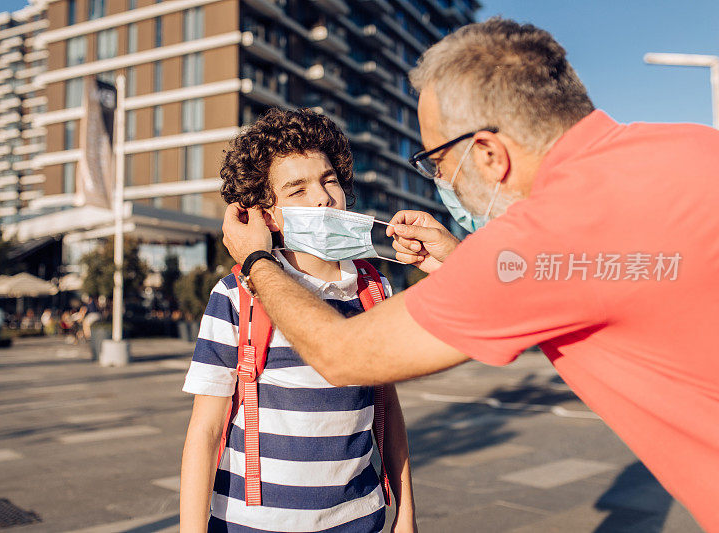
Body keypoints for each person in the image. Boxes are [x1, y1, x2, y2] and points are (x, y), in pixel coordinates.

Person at [220, 18, 719, 532]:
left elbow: (341, 354)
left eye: (435, 161)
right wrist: (462, 261)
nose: (438, 180)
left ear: (487, 154)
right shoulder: (692, 145)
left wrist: (255, 259)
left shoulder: (546, 229)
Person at [180, 109, 417, 532]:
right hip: (252, 523)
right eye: (297, 189)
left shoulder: (374, 289)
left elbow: (388, 407)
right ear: (265, 214)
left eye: (329, 180)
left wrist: (407, 513)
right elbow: (206, 429)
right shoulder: (236, 294)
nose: (322, 197)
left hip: (359, 518)